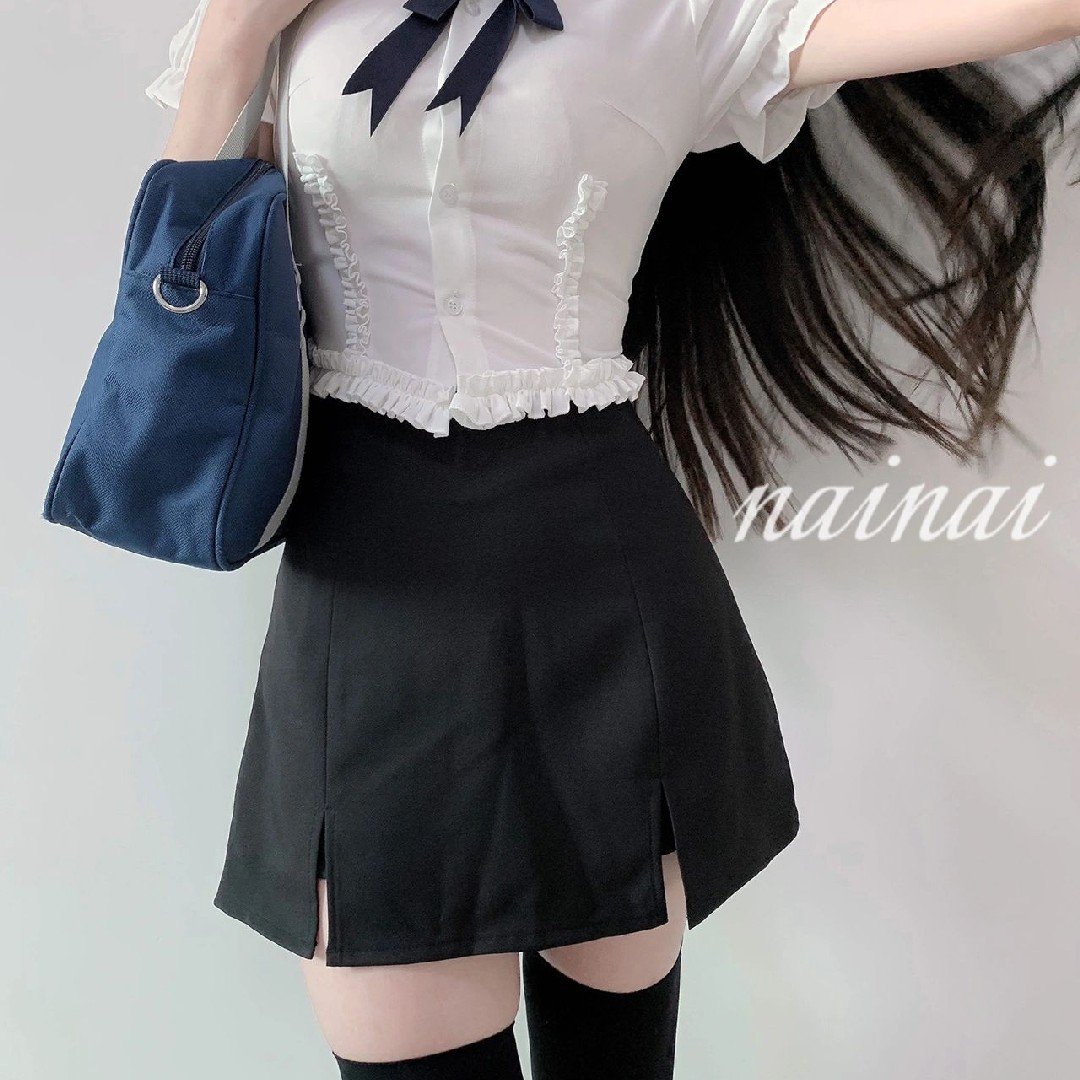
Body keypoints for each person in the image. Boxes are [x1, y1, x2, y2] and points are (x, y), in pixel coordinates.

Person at [144, 2, 1080, 1076]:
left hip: (607, 597)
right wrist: (230, 40)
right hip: (367, 600)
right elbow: (176, 289)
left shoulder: (676, 12)